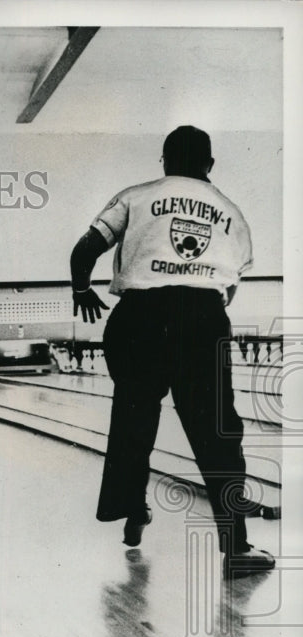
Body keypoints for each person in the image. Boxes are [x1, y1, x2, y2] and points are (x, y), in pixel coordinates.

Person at [69, 124, 274, 578]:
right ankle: (236, 548)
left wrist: (81, 288)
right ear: (210, 165)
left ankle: (134, 508)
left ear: (163, 160)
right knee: (218, 436)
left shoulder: (135, 195)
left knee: (133, 421)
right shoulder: (232, 213)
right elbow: (228, 289)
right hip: (200, 318)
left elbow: (84, 249)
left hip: (137, 317)